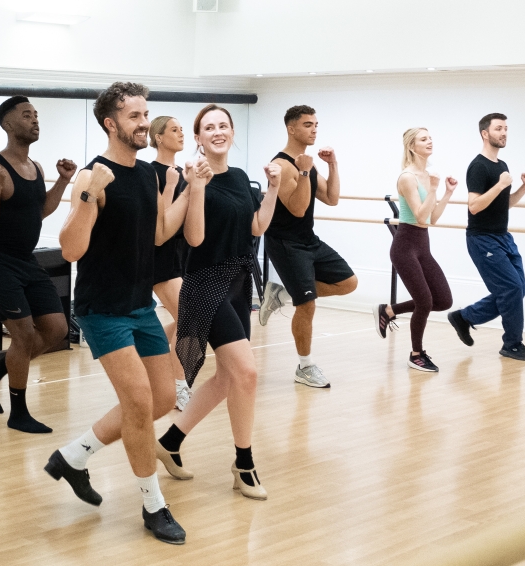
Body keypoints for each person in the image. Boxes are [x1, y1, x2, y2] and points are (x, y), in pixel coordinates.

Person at [45, 82, 190, 545]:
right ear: (111, 123)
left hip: (138, 306)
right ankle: (153, 505)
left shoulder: (148, 174)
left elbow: (161, 234)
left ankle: (73, 455)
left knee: (164, 398)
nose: (145, 123)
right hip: (102, 309)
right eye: (134, 117)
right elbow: (70, 249)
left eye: (146, 114)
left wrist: (191, 188)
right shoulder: (92, 176)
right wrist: (89, 197)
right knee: (140, 402)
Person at [155, 104, 280, 501]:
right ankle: (243, 463)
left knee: (228, 378)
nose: (218, 131)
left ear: (231, 132)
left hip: (238, 283)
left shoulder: (242, 177)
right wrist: (197, 188)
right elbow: (193, 239)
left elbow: (256, 226)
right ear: (198, 138)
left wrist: (274, 189)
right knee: (246, 372)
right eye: (209, 127)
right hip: (205, 284)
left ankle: (170, 441)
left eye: (223, 125)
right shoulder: (193, 178)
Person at [0, 96, 75, 434]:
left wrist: (61, 180)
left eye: (36, 115)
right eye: (26, 115)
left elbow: (39, 211)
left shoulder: (36, 168)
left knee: (57, 330)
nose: (34, 120)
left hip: (25, 261)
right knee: (24, 335)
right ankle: (18, 412)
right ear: (6, 124)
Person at [258, 105, 357, 389]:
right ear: (291, 128)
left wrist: (332, 165)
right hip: (286, 243)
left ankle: (283, 293)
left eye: (316, 124)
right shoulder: (282, 165)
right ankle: (305, 367)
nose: (314, 129)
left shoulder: (307, 163)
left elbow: (332, 198)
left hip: (308, 240)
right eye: (307, 125)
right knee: (308, 305)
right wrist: (303, 173)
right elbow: (299, 209)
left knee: (348, 282)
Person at [447, 113, 525, 362]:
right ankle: (512, 344)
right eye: (499, 128)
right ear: (485, 134)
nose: (504, 132)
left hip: (503, 237)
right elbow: (474, 206)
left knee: (517, 290)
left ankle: (464, 317)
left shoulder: (502, 166)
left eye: (506, 128)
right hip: (482, 238)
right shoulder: (478, 166)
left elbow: (502, 204)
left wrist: (523, 188)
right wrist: (499, 185)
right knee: (511, 288)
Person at [373, 128, 456, 372]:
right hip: (405, 247)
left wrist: (447, 193)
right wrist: (433, 189)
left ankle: (389, 311)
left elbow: (432, 219)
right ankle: (416, 354)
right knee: (424, 301)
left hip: (423, 246)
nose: (429, 141)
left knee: (443, 300)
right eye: (423, 139)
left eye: (430, 137)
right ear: (411, 146)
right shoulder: (407, 177)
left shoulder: (427, 175)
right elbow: (419, 216)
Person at [148, 116, 193, 411]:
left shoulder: (183, 172)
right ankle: (179, 386)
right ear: (159, 137)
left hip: (182, 255)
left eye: (181, 130)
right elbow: (158, 222)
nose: (180, 134)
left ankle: (150, 350)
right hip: (160, 257)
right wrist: (172, 184)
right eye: (174, 130)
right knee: (188, 320)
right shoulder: (150, 172)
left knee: (184, 319)